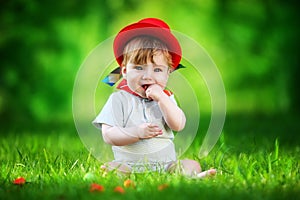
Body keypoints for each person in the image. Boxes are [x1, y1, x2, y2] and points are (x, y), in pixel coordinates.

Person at [93, 18, 216, 178]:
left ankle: (192, 177)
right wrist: (136, 132)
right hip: (129, 166)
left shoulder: (166, 98)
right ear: (124, 71)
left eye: (157, 69)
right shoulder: (119, 100)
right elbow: (108, 135)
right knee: (113, 168)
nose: (147, 76)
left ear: (168, 73)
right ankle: (121, 174)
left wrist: (162, 100)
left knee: (191, 164)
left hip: (166, 166)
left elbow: (178, 125)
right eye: (138, 67)